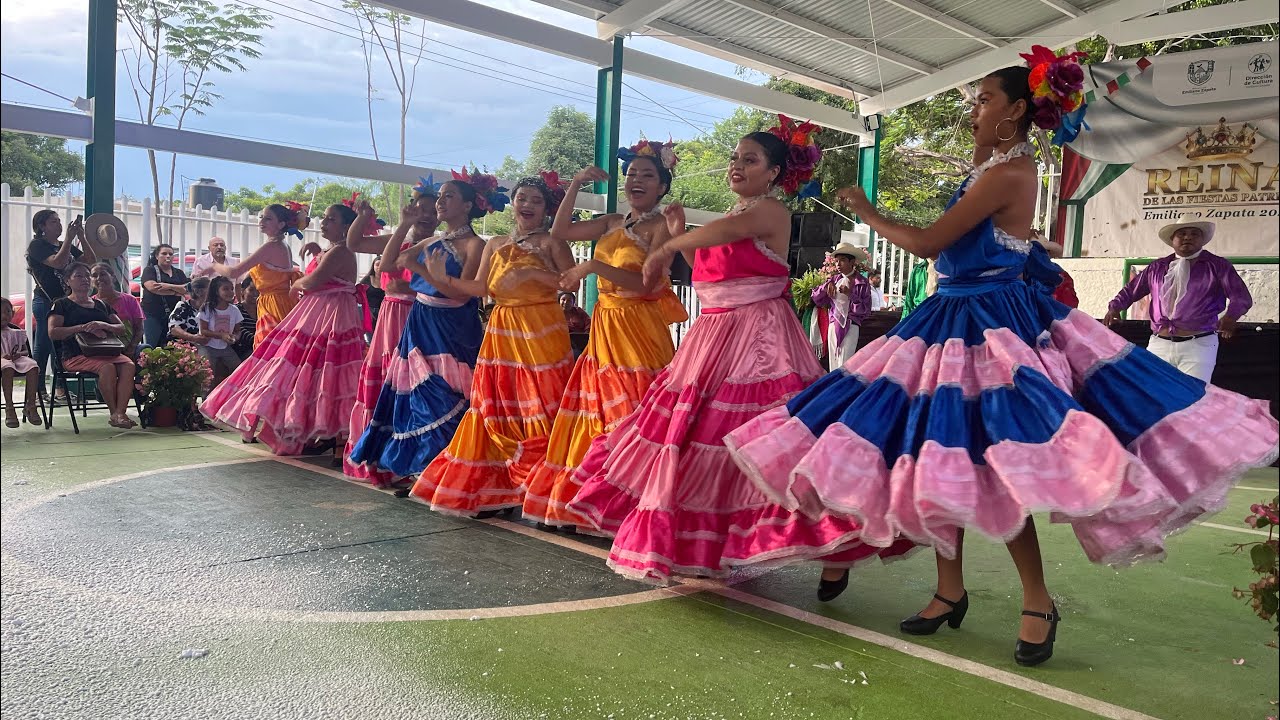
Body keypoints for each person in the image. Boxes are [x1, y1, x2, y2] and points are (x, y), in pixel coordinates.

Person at [725, 54, 1279, 667]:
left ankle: (1037, 599)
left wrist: (864, 209)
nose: (974, 110)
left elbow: (928, 242)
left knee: (996, 462)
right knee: (942, 454)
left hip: (989, 328)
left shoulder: (1011, 171)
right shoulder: (989, 168)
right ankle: (948, 590)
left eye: (985, 99)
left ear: (1016, 110)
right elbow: (953, 249)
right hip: (948, 320)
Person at [564, 121, 894, 583]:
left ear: (775, 172)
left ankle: (834, 545)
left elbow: (726, 233)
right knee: (703, 440)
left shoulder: (772, 212)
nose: (737, 166)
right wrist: (677, 239)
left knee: (768, 442)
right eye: (736, 158)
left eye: (750, 160)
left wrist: (671, 243)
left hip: (758, 340)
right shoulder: (730, 215)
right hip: (712, 335)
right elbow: (706, 274)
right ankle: (718, 544)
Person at [522, 148, 689, 529]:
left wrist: (595, 266)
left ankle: (630, 504)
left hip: (638, 327)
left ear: (662, 186)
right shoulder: (613, 221)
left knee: (632, 409)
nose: (635, 180)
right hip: (606, 324)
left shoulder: (661, 226)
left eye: (647, 175)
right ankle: (592, 499)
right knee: (597, 409)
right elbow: (561, 231)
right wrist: (577, 184)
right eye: (631, 173)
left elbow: (648, 285)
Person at [408, 170, 576, 517]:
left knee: (541, 402)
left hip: (540, 329)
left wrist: (530, 274)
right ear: (512, 203)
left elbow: (569, 283)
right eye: (522, 198)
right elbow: (480, 288)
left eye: (536, 200)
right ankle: (496, 488)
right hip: (501, 330)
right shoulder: (496, 242)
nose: (527, 204)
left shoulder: (551, 243)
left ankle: (541, 486)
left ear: (546, 208)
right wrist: (443, 279)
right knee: (496, 403)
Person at [347, 177, 486, 488]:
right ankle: (428, 470)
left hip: (451, 328)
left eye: (448, 196)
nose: (440, 201)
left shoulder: (475, 245)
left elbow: (462, 294)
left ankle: (449, 471)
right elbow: (386, 265)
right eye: (440, 196)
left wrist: (424, 271)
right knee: (419, 396)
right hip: (420, 321)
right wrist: (404, 225)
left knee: (447, 392)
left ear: (466, 205)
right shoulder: (431, 242)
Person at [201, 204, 365, 455]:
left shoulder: (336, 250)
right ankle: (315, 430)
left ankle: (331, 434)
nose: (324, 222)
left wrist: (215, 267)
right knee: (309, 367)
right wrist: (317, 254)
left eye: (331, 219)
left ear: (345, 226)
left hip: (323, 311)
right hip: (309, 309)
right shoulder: (327, 249)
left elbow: (315, 279)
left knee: (296, 364)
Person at [341, 186, 440, 484]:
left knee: (414, 383)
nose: (425, 215)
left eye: (432, 210)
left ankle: (410, 456)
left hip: (420, 316)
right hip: (390, 315)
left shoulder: (438, 245)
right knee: (386, 380)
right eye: (419, 208)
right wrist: (364, 217)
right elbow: (355, 242)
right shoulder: (398, 239)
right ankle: (378, 454)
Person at [1103, 214, 1252, 383]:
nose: (1187, 237)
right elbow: (1131, 290)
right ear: (1172, 240)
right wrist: (1115, 307)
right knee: (1155, 395)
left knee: (1192, 397)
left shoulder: (1218, 266)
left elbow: (1241, 297)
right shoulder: (1157, 267)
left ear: (1202, 240)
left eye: (1194, 234)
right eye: (1181, 233)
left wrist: (1231, 316)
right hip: (1159, 343)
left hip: (1198, 345)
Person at [47, 262, 137, 429]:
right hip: (75, 354)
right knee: (107, 367)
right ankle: (114, 413)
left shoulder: (102, 304)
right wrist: (81, 328)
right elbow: (53, 332)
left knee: (128, 365)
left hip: (105, 350)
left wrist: (103, 325)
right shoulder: (61, 304)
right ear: (68, 281)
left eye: (87, 276)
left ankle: (120, 413)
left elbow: (121, 328)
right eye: (79, 276)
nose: (85, 279)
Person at [25, 210, 95, 402]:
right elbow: (58, 262)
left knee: (63, 346)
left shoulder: (67, 245)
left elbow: (90, 260)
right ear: (42, 226)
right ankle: (37, 390)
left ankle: (60, 389)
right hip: (46, 301)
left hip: (65, 303)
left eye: (59, 221)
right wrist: (68, 240)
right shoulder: (38, 246)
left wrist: (81, 235)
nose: (59, 225)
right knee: (44, 345)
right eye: (53, 222)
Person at [213, 203, 306, 346]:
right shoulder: (280, 244)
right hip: (277, 301)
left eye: (268, 219)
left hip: (274, 303)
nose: (261, 222)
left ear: (281, 224)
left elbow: (234, 272)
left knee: (270, 351)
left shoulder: (272, 245)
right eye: (261, 217)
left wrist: (213, 265)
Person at [811, 242, 871, 369]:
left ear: (852, 262)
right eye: (837, 261)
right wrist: (826, 286)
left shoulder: (862, 282)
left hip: (851, 326)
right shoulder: (833, 280)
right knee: (833, 365)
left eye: (842, 260)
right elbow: (816, 298)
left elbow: (865, 310)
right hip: (833, 324)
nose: (838, 264)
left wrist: (851, 294)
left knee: (845, 364)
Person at [139, 244, 190, 347]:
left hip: (174, 315)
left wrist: (167, 285)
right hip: (152, 314)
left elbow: (186, 289)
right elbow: (153, 288)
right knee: (150, 346)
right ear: (157, 256)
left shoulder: (179, 273)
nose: (168, 256)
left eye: (171, 254)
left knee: (171, 346)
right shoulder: (150, 270)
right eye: (164, 253)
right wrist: (176, 291)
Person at [90, 262, 144, 360]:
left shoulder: (130, 300)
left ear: (113, 277)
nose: (98, 278)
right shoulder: (90, 303)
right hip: (101, 351)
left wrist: (131, 348)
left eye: (103, 274)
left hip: (127, 348)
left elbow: (139, 329)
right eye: (94, 276)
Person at [1, 298, 41, 428]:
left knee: (33, 366)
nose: (4, 315)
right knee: (7, 366)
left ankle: (30, 405)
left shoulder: (16, 332)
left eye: (7, 311)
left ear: (12, 314)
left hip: (16, 358)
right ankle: (9, 407)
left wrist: (19, 354)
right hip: (3, 361)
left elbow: (24, 351)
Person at [198, 275, 244, 386]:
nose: (230, 292)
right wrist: (221, 335)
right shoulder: (207, 308)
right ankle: (206, 399)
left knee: (239, 370)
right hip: (208, 347)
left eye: (232, 289)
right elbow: (203, 331)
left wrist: (235, 337)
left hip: (225, 347)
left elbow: (238, 330)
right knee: (207, 377)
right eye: (225, 289)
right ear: (216, 291)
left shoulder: (234, 310)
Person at [168, 276, 211, 346]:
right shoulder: (183, 306)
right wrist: (193, 338)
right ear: (198, 292)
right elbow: (174, 329)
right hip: (184, 347)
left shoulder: (211, 308)